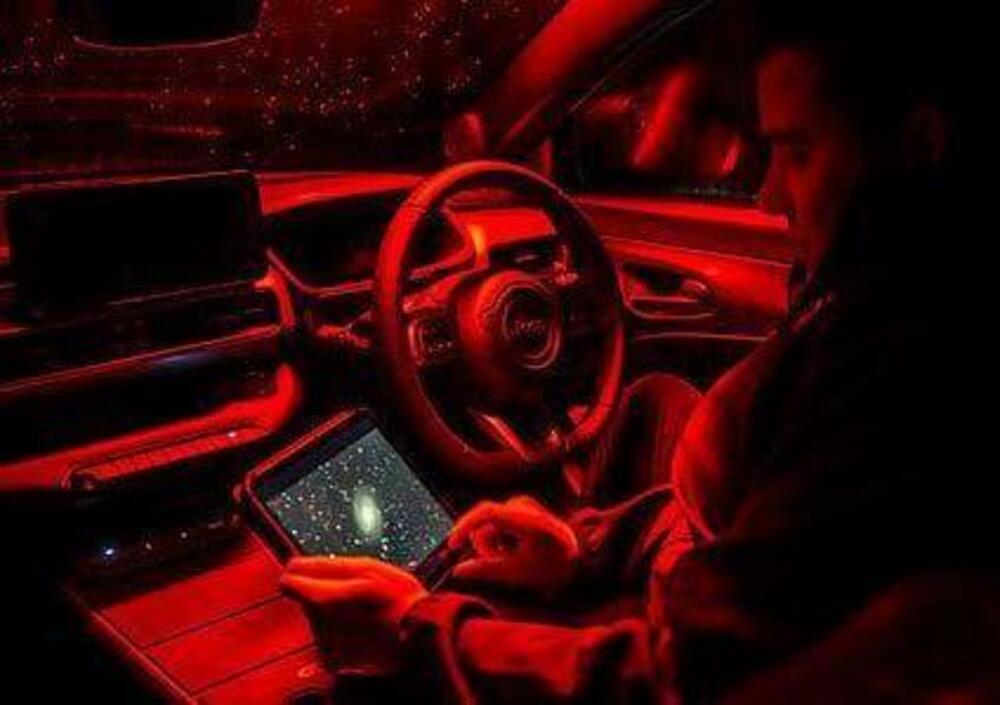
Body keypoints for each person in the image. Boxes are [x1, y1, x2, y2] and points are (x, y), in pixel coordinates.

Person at [281, 2, 993, 702]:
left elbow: (690, 676)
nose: (768, 195)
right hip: (685, 600)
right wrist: (583, 548)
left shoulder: (908, 373)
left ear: (922, 143)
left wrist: (419, 634)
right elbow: (766, 562)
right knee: (656, 400)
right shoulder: (869, 289)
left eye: (800, 152)